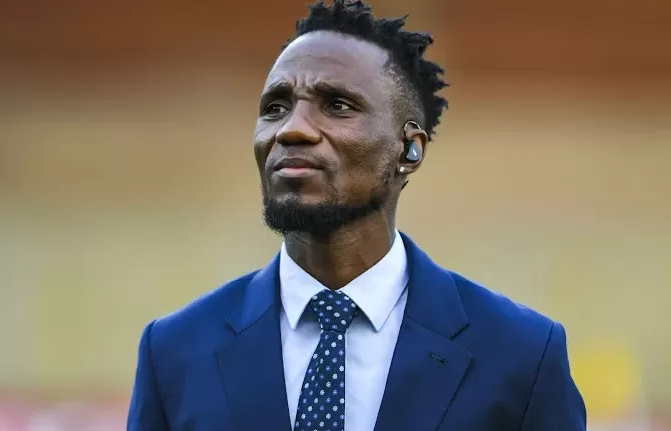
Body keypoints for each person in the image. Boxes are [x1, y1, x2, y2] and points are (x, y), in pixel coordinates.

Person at [126, 1, 587, 430]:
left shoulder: (522, 355)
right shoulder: (173, 352)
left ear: (408, 149)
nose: (292, 129)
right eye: (275, 108)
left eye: (337, 105)